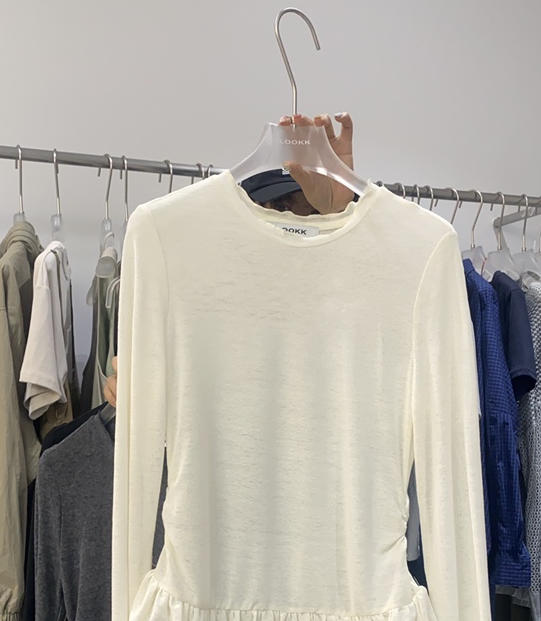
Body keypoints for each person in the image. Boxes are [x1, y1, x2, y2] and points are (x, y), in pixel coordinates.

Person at [103, 112, 355, 407]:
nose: (289, 224)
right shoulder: (202, 286)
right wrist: (137, 399)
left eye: (310, 215)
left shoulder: (343, 291)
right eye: (277, 209)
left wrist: (339, 212)